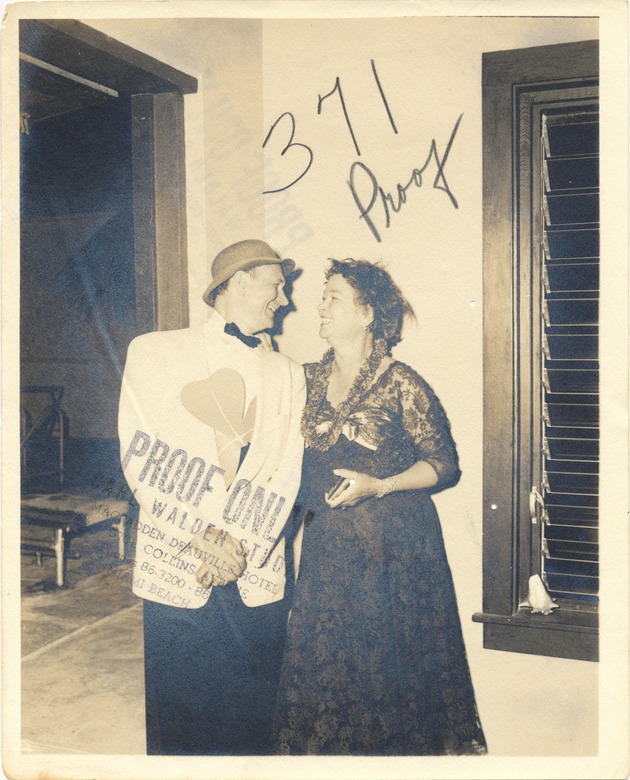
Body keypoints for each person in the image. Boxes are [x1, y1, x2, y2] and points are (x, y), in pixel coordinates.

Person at [272, 259, 487, 755]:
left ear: (368, 314)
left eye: (333, 298)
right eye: (322, 297)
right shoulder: (303, 380)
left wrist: (380, 484)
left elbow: (445, 465)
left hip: (399, 554)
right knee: (329, 678)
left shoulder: (401, 382)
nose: (319, 307)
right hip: (330, 552)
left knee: (392, 685)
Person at [118, 239, 305, 755]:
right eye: (275, 283)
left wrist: (238, 545)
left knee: (251, 722)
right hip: (176, 563)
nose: (284, 298)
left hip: (254, 567)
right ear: (239, 280)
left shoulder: (291, 375)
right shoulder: (152, 351)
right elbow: (141, 455)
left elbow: (285, 470)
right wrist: (200, 534)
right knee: (179, 722)